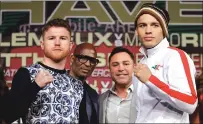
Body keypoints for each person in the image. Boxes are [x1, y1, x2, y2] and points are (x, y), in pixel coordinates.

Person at [5, 18, 83, 124]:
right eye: (51, 38)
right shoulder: (26, 73)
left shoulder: (77, 84)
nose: (57, 43)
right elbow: (9, 115)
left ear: (70, 45)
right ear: (42, 44)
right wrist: (35, 86)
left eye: (63, 38)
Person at [132, 3, 197, 122]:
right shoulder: (142, 63)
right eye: (142, 25)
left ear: (164, 29)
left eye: (155, 25)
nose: (148, 31)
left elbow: (190, 102)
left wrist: (150, 80)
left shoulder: (175, 56)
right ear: (136, 31)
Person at [99, 47, 137, 123]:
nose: (121, 68)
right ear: (109, 69)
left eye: (126, 64)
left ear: (134, 67)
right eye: (115, 65)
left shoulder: (146, 97)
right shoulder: (100, 100)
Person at [69, 43, 100, 124]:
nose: (88, 64)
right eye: (83, 58)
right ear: (72, 59)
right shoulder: (57, 85)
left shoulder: (93, 94)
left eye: (92, 61)